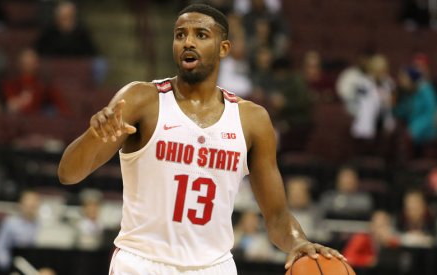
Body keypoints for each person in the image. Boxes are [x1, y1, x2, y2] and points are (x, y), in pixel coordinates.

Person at [58, 4, 344, 274]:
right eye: (180, 35)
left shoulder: (252, 120)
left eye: (201, 35)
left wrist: (297, 241)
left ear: (224, 48)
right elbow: (68, 174)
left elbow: (277, 215)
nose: (188, 42)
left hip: (214, 266)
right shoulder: (140, 100)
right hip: (142, 262)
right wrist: (92, 137)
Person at [0, 190, 41, 272]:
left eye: (34, 206)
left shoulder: (41, 225)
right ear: (20, 205)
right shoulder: (10, 223)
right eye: (28, 205)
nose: (31, 209)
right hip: (14, 266)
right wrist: (9, 267)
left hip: (35, 267)